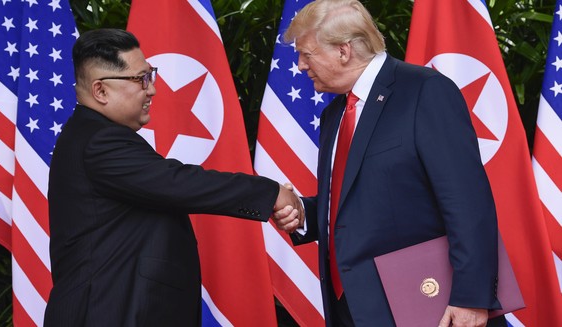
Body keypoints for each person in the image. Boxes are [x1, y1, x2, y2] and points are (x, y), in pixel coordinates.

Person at [44, 28, 301, 327]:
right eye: (141, 79)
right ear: (101, 90)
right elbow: (178, 183)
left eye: (150, 74)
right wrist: (270, 193)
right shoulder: (99, 142)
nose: (151, 89)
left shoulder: (94, 135)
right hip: (107, 313)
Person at [271, 1, 505, 326]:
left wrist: (472, 297)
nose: (299, 65)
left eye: (307, 54)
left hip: (426, 306)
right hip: (351, 308)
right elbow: (363, 202)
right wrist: (303, 212)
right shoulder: (334, 113)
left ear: (343, 51)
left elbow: (467, 201)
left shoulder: (425, 91)